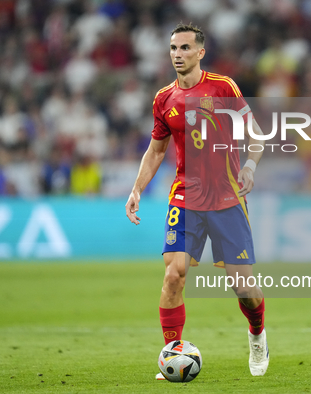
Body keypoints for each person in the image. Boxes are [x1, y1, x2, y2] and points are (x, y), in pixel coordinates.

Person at [124, 23, 269, 378]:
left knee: (243, 287)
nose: (178, 54)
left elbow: (256, 135)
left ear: (200, 52)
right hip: (185, 197)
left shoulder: (223, 87)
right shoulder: (164, 99)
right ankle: (171, 353)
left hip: (227, 197)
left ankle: (257, 334)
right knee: (174, 274)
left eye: (185, 48)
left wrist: (249, 166)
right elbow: (156, 150)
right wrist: (137, 188)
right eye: (174, 48)